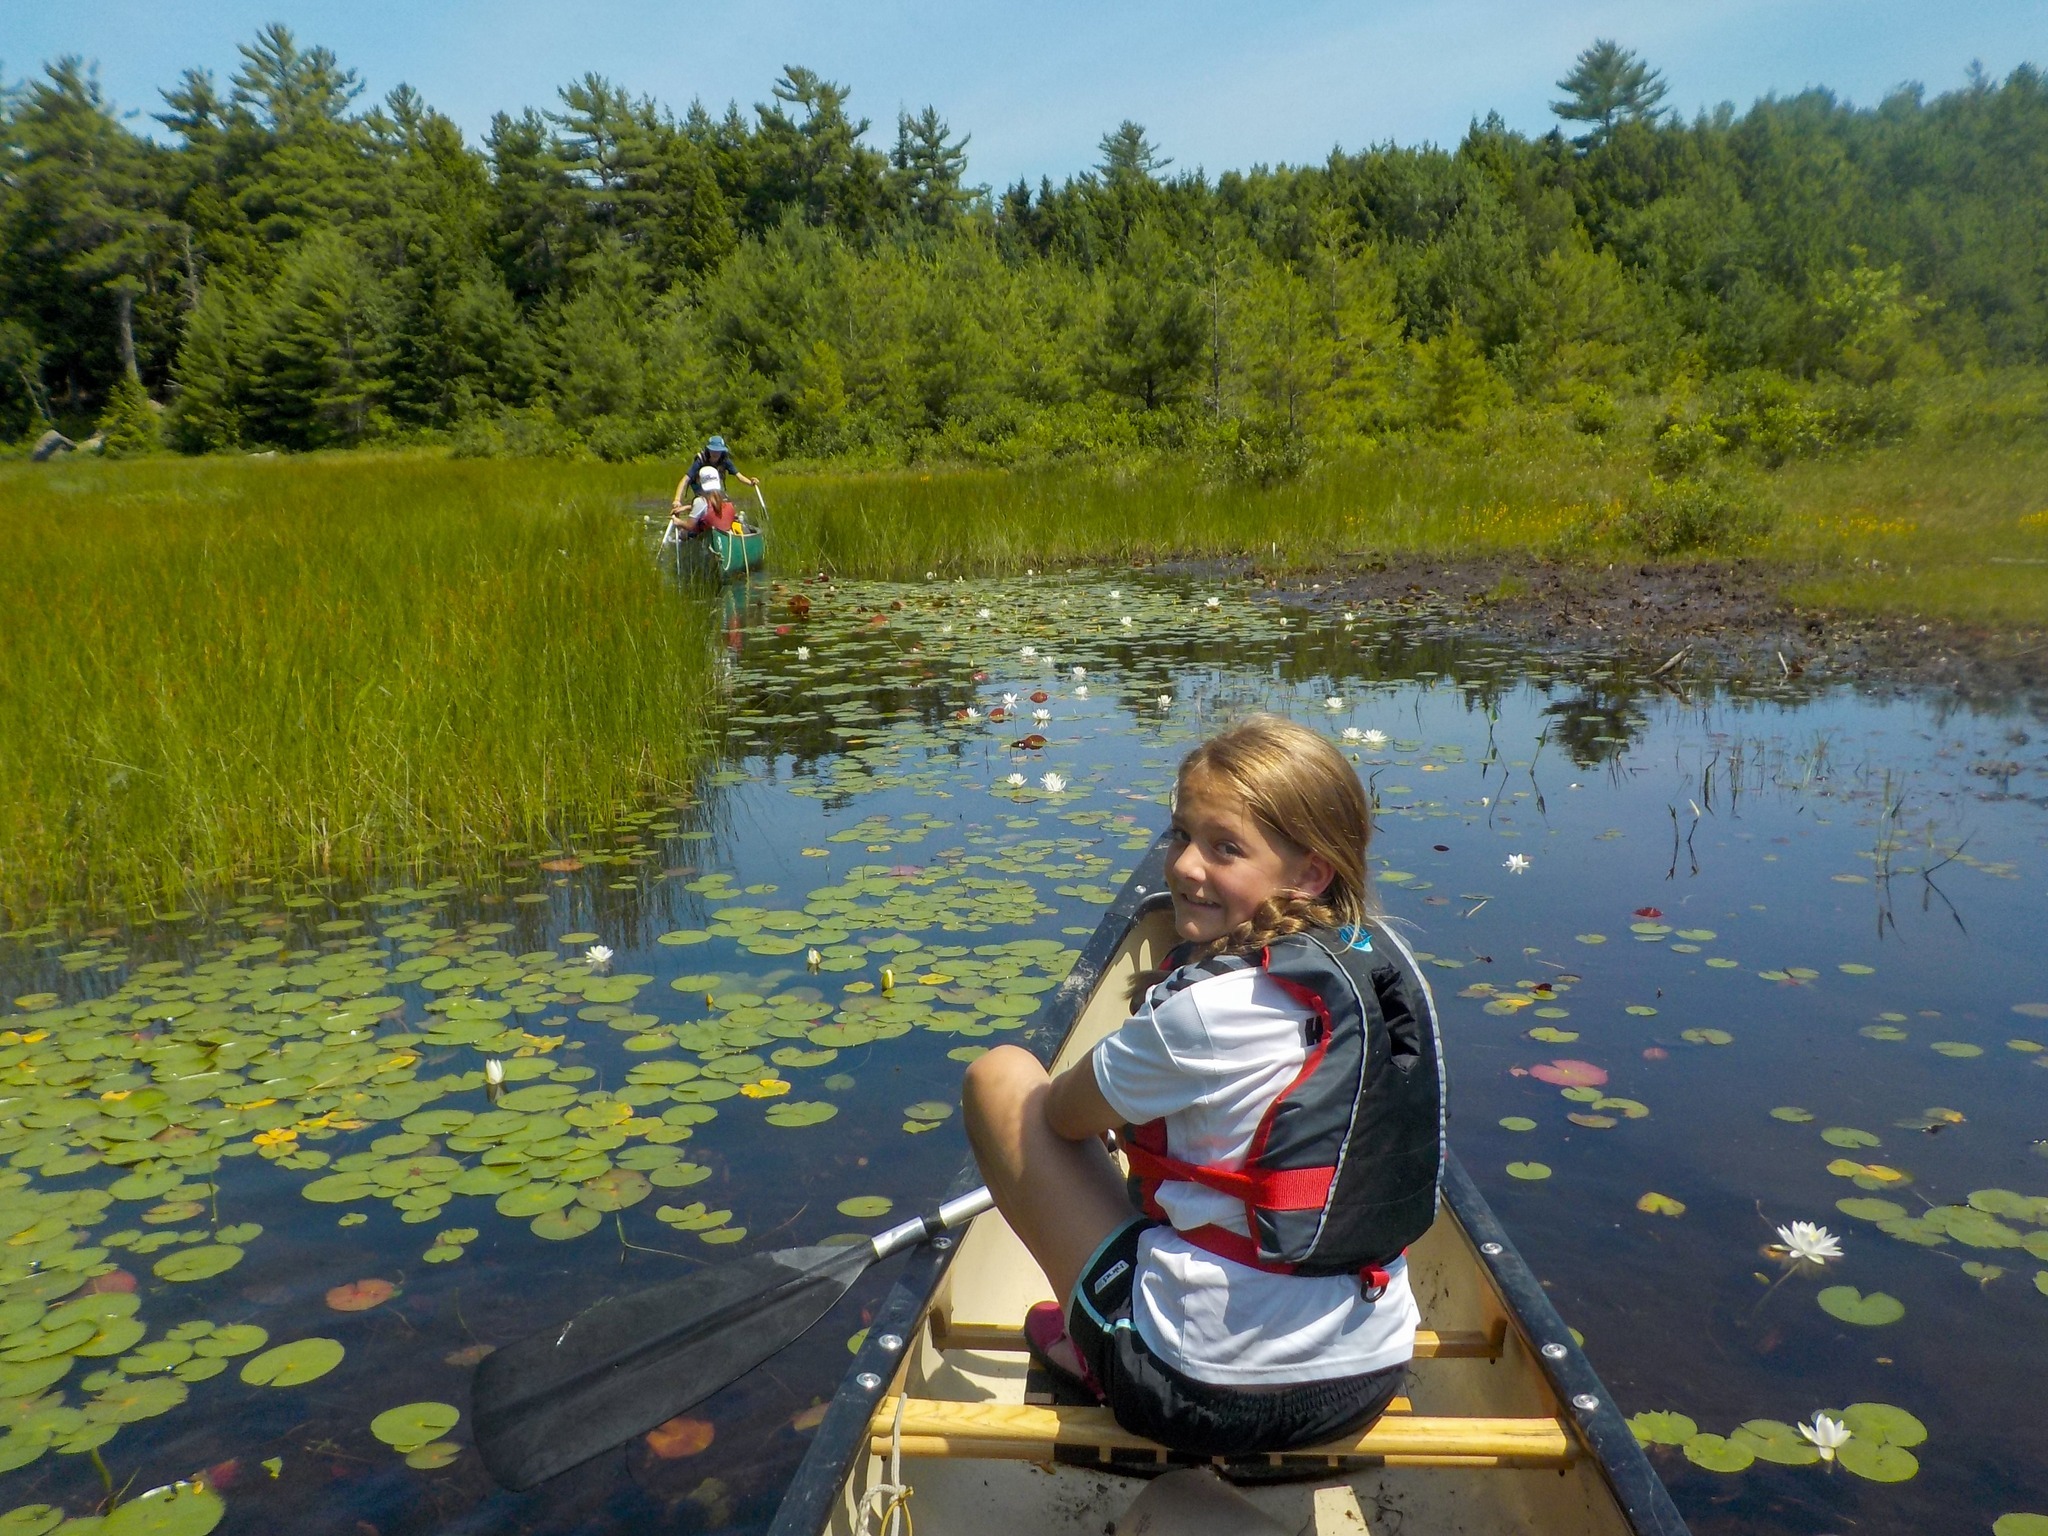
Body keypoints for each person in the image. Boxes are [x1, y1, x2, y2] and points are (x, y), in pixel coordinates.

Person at [962, 713, 1444, 1458]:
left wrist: (1135, 1120)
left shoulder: (1205, 1010)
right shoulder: (1388, 975)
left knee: (1001, 1080)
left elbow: (1060, 1115)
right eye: (1182, 835)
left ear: (1311, 872)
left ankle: (1095, 1344)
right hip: (1368, 1381)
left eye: (1225, 848)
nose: (1186, 866)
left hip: (1194, 1392)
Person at [677, 434, 758, 503]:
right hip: (698, 485)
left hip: (713, 483)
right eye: (713, 450)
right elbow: (685, 480)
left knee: (723, 501)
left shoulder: (725, 460)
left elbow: (739, 476)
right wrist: (677, 499)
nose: (716, 453)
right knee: (706, 502)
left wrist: (751, 483)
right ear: (708, 450)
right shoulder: (700, 460)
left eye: (718, 451)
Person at [669, 467, 740, 539]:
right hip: (727, 535)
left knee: (683, 533)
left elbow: (689, 526)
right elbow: (714, 508)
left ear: (700, 481)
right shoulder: (725, 497)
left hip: (709, 540)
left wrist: (677, 521)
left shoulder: (700, 501)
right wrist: (687, 507)